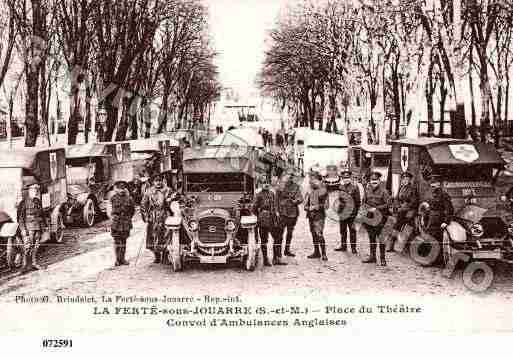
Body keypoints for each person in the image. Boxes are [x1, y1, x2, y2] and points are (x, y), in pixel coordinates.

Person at [141, 174, 175, 264]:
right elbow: (144, 204)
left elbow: (174, 203)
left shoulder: (168, 190)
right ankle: (156, 256)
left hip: (165, 215)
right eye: (156, 181)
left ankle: (165, 256)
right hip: (154, 216)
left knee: (167, 235)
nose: (158, 182)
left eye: (160, 180)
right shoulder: (149, 191)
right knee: (154, 236)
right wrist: (146, 216)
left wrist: (170, 200)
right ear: (153, 182)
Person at [253, 176, 287, 266]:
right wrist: (258, 217)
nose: (266, 184)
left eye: (267, 182)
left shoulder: (272, 193)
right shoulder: (258, 195)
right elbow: (254, 208)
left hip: (272, 219)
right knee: (264, 240)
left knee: (278, 237)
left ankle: (276, 258)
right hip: (263, 220)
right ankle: (265, 259)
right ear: (260, 184)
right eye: (264, 183)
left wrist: (276, 214)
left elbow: (275, 205)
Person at [17, 182, 47, 273]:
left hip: (38, 228)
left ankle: (34, 263)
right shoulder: (23, 203)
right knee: (27, 247)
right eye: (33, 190)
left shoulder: (37, 201)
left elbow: (42, 215)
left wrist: (44, 227)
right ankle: (24, 266)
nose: (35, 192)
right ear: (29, 191)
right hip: (28, 229)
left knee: (36, 246)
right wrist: (23, 231)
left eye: (36, 190)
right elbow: (20, 218)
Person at [362, 171, 390, 266]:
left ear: (379, 181)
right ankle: (372, 257)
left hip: (381, 219)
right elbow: (364, 202)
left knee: (381, 238)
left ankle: (382, 259)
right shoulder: (367, 190)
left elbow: (388, 205)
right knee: (372, 237)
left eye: (376, 180)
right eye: (372, 180)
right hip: (370, 218)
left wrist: (376, 209)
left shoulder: (384, 192)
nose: (374, 182)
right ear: (370, 181)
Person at [388, 171, 418, 252]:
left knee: (405, 227)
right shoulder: (401, 188)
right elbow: (397, 198)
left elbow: (414, 201)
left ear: (410, 180)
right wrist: (397, 206)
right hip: (401, 210)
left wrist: (404, 207)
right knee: (396, 225)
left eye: (407, 179)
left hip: (409, 211)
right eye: (403, 179)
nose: (404, 180)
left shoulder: (412, 189)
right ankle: (391, 244)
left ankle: (406, 246)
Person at [276, 169, 304, 257]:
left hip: (292, 213)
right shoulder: (280, 187)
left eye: (292, 176)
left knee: (290, 232)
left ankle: (287, 250)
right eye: (288, 176)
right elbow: (276, 200)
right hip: (282, 213)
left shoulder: (296, 187)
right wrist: (277, 211)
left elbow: (300, 198)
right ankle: (278, 252)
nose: (290, 178)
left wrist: (296, 201)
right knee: (280, 233)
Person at [110, 180, 136, 266]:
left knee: (124, 241)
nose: (121, 190)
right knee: (117, 241)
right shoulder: (113, 198)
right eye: (119, 188)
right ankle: (117, 259)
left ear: (125, 189)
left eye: (123, 188)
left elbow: (132, 210)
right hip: (116, 222)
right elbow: (109, 210)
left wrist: (128, 218)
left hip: (125, 222)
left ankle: (123, 259)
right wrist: (112, 218)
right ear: (116, 189)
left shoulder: (129, 199)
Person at [305, 171, 329, 261]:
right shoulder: (310, 191)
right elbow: (306, 204)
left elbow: (326, 205)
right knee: (313, 234)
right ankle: (316, 252)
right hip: (311, 216)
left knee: (319, 234)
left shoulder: (324, 191)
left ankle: (324, 254)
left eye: (314, 180)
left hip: (319, 216)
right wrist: (307, 207)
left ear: (319, 181)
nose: (311, 181)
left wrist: (315, 207)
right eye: (311, 179)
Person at [335, 170, 361, 253]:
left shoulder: (354, 187)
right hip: (342, 212)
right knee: (342, 230)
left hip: (351, 213)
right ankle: (343, 246)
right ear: (342, 178)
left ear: (350, 178)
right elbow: (340, 199)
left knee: (352, 231)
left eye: (347, 178)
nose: (346, 179)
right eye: (344, 178)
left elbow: (358, 202)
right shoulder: (341, 187)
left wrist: (355, 213)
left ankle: (353, 248)